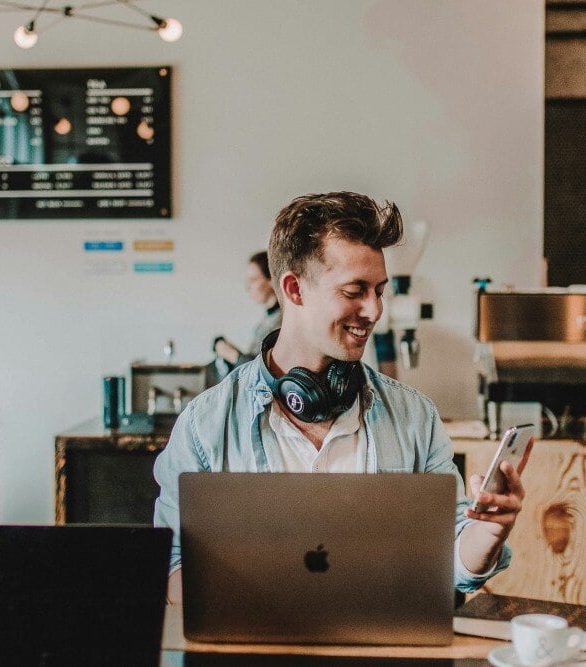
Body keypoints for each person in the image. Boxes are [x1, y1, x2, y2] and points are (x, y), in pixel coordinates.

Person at [154, 191, 524, 604]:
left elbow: (451, 561)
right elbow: (169, 568)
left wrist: (487, 532)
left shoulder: (414, 416)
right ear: (294, 290)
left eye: (379, 291)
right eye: (355, 291)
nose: (374, 310)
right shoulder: (205, 425)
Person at [213, 251, 282, 374]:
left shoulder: (282, 321)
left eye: (253, 280)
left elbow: (262, 371)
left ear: (271, 280)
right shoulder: (269, 317)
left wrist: (230, 353)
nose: (248, 287)